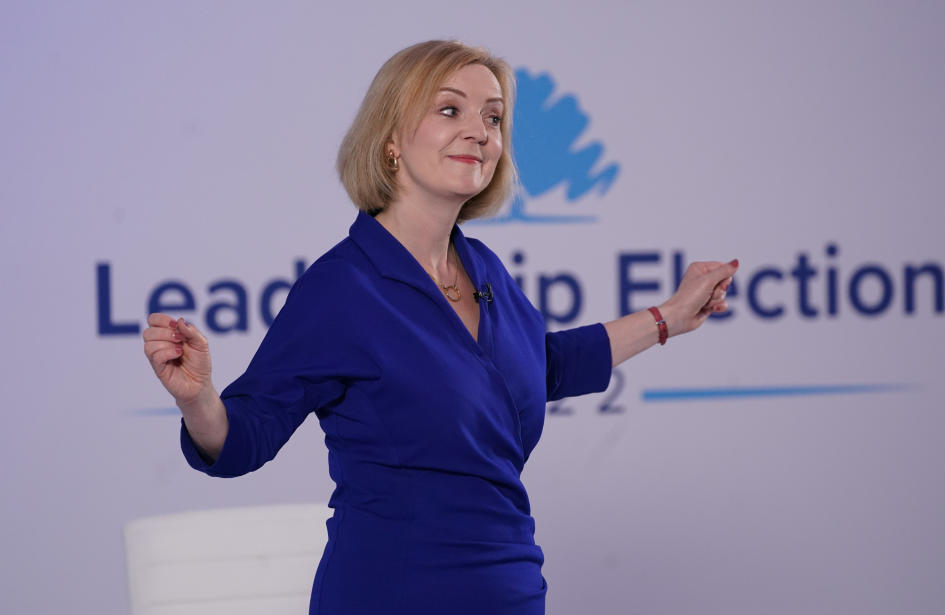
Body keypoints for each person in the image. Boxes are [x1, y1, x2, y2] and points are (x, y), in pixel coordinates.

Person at [142, 40, 738, 615]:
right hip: (394, 592)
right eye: (450, 109)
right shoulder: (344, 287)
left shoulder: (484, 268)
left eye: (494, 117)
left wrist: (671, 317)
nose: (480, 132)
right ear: (391, 140)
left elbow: (537, 367)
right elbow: (245, 435)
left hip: (510, 588)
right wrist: (198, 401)